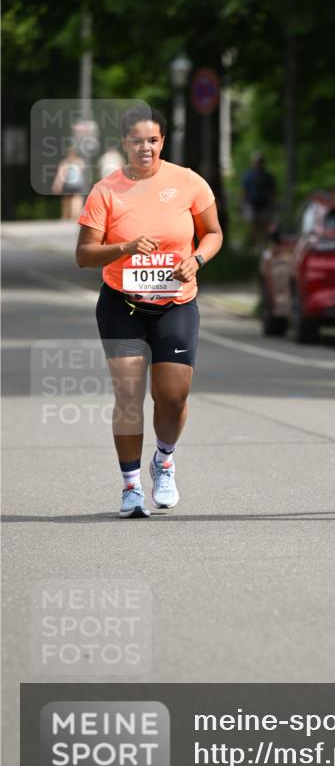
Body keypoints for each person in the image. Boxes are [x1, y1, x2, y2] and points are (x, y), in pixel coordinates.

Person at [76, 107, 223, 518]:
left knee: (172, 397)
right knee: (128, 395)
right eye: (138, 140)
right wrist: (123, 248)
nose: (146, 148)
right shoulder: (106, 191)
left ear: (163, 141)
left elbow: (213, 233)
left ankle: (164, 460)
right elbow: (84, 255)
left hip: (176, 303)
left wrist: (197, 259)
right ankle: (130, 486)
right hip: (122, 304)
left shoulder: (188, 181)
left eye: (153, 140)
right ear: (125, 142)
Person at [241, 151, 276, 246]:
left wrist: (272, 204)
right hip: (251, 203)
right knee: (253, 225)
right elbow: (244, 190)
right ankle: (254, 245)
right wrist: (242, 204)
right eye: (256, 162)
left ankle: (263, 244)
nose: (258, 164)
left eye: (260, 161)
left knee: (264, 225)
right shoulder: (248, 176)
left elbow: (272, 191)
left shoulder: (268, 177)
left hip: (264, 204)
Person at [52, 145, 86, 220]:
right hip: (78, 184)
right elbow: (82, 173)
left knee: (66, 199)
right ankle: (76, 214)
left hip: (68, 184)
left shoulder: (64, 163)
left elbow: (60, 175)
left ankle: (66, 215)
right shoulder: (80, 162)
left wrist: (57, 184)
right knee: (77, 198)